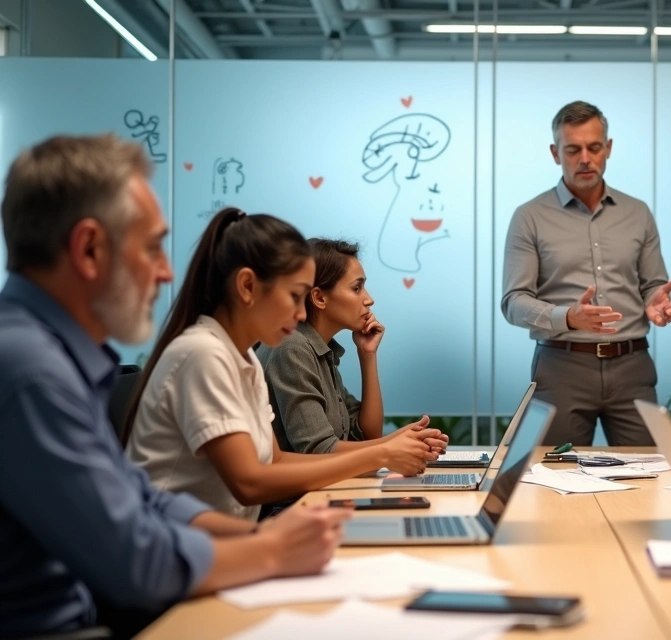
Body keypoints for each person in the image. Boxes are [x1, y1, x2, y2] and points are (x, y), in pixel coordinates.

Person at [0, 134, 350, 639]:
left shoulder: (51, 357)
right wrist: (270, 550)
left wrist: (259, 535)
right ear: (89, 249)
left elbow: (140, 497)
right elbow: (135, 562)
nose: (166, 272)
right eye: (151, 248)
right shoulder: (31, 372)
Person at [125, 208, 443, 522]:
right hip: (177, 552)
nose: (302, 314)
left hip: (219, 542)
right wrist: (381, 453)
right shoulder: (202, 354)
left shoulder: (243, 358)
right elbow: (249, 483)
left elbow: (274, 461)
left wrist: (389, 446)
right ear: (247, 287)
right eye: (294, 296)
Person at [501, 100, 671, 446]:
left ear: (608, 149)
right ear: (555, 153)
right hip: (562, 366)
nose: (585, 158)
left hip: (633, 366)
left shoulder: (637, 212)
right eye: (573, 149)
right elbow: (513, 302)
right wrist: (567, 316)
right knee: (550, 477)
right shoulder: (529, 216)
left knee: (649, 479)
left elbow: (653, 284)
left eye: (594, 147)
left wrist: (660, 300)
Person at [257, 238, 434, 455]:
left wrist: (367, 355)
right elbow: (320, 450)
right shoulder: (293, 348)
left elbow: (366, 434)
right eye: (357, 288)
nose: (369, 300)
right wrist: (393, 446)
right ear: (319, 298)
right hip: (301, 490)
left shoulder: (319, 349)